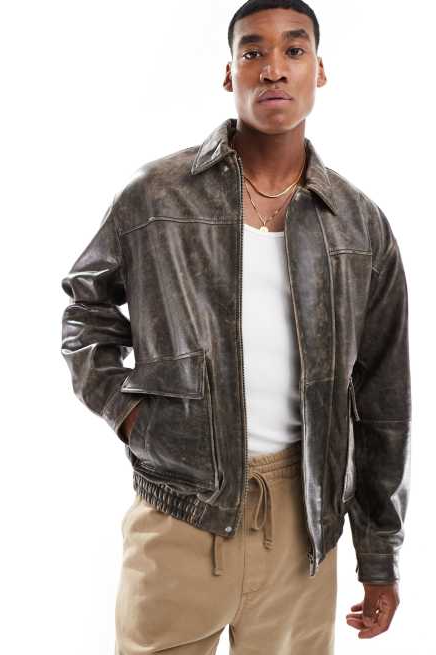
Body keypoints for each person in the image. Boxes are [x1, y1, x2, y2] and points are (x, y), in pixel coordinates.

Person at [60, 1, 411, 652]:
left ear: (319, 71)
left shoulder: (360, 225)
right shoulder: (156, 196)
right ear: (230, 74)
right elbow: (86, 310)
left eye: (293, 50)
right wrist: (129, 412)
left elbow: (383, 399)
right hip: (178, 511)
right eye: (253, 52)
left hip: (303, 529)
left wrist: (379, 555)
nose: (273, 68)